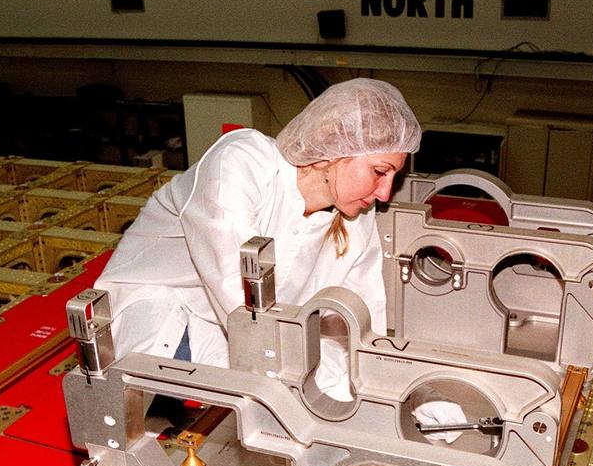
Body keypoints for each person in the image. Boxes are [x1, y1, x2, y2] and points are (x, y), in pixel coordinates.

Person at [94, 78, 419, 370]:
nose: (385, 192)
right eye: (379, 171)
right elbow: (238, 289)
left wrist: (394, 388)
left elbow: (362, 316)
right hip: (165, 311)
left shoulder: (354, 220)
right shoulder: (243, 162)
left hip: (247, 330)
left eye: (394, 176)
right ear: (332, 152)